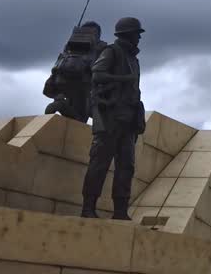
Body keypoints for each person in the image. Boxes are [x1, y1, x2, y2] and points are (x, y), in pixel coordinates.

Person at [80, 16, 146, 219]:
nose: (139, 38)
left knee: (126, 166)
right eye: (137, 34)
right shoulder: (111, 51)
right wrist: (123, 79)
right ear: (128, 34)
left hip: (128, 120)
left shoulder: (134, 59)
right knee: (99, 163)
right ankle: (88, 207)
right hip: (111, 118)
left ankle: (120, 210)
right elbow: (97, 74)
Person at [43, 21, 105, 122]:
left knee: (74, 116)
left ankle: (60, 105)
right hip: (83, 85)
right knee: (80, 118)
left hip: (62, 82)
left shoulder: (70, 45)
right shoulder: (100, 47)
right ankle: (60, 106)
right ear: (97, 34)